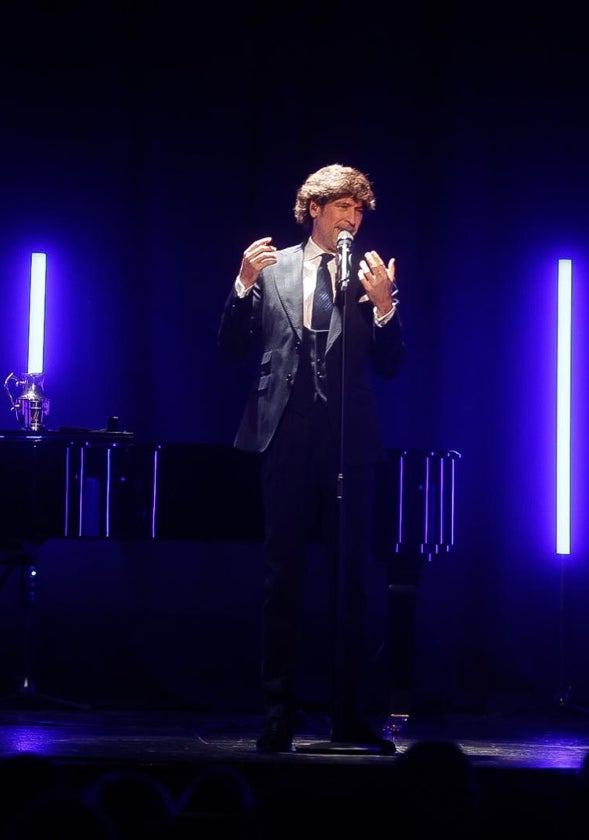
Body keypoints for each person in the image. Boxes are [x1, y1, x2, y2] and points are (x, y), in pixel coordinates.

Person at [217, 163, 404, 753]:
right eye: (343, 208)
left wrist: (384, 308)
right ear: (316, 209)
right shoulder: (274, 270)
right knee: (283, 578)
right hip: (286, 433)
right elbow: (231, 348)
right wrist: (243, 285)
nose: (352, 219)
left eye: (358, 210)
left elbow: (392, 366)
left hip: (347, 438)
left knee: (350, 581)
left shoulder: (369, 273)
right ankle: (279, 715)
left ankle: (348, 716)